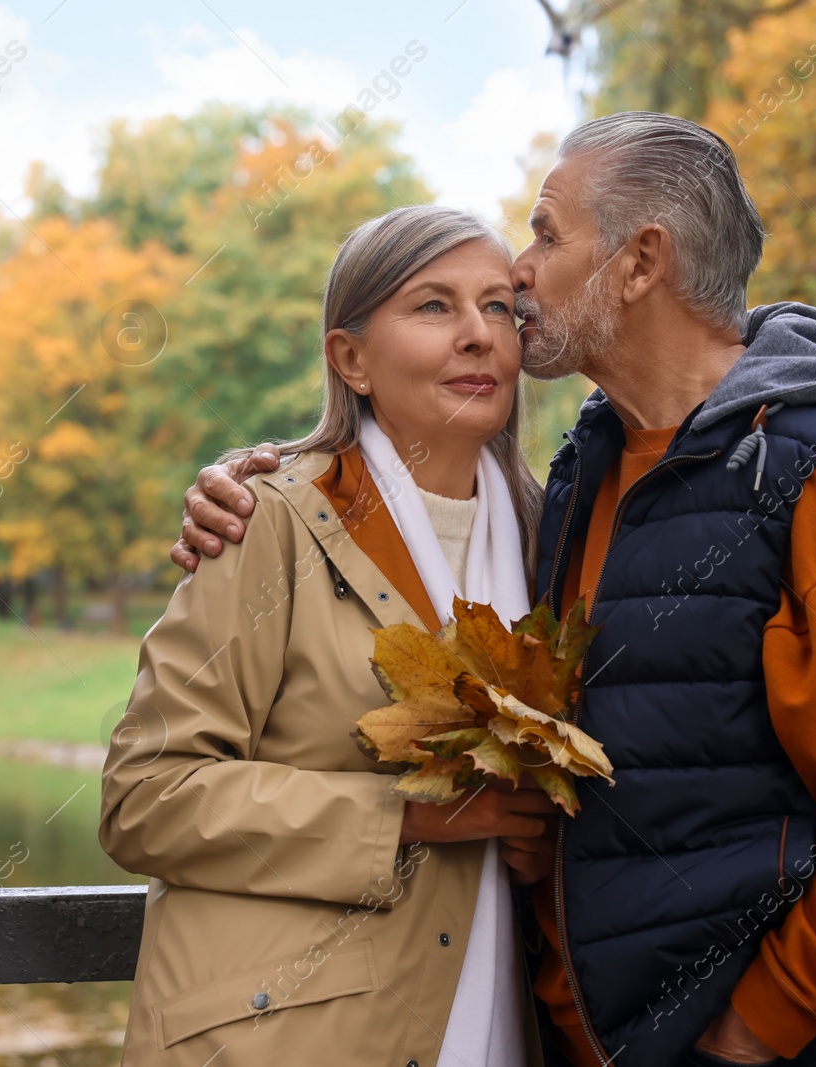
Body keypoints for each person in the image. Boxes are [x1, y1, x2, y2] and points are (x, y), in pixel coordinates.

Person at [171, 112, 816, 1067]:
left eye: (544, 234)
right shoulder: (582, 477)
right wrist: (269, 474)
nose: (519, 276)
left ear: (639, 262)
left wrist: (756, 1028)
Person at [101, 204, 560, 1066]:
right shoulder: (266, 523)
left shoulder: (556, 539)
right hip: (284, 1036)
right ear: (349, 358)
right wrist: (409, 816)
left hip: (500, 1024)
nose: (477, 336)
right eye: (433, 306)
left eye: (499, 307)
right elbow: (146, 797)